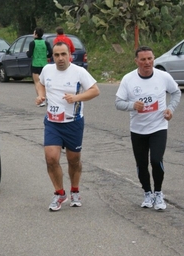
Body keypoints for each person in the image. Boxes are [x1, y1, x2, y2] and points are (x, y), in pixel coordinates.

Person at [35, 42, 100, 211]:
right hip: (52, 122)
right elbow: (40, 82)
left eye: (64, 54)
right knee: (51, 158)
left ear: (70, 55)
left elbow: (95, 90)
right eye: (57, 55)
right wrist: (41, 95)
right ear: (52, 57)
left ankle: (75, 190)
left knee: (74, 160)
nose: (60, 58)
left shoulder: (79, 72)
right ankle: (59, 193)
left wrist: (76, 98)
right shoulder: (47, 70)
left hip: (73, 123)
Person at [115, 46, 181, 211]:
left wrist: (170, 109)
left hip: (159, 127)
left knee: (156, 160)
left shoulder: (163, 76)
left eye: (150, 58)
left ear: (153, 59)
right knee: (142, 164)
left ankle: (158, 193)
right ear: (136, 61)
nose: (147, 62)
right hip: (138, 129)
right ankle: (147, 193)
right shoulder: (128, 79)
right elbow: (118, 103)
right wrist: (132, 105)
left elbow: (176, 92)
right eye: (143, 59)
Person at [26, 27, 52, 107]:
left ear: (36, 34)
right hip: (44, 65)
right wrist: (46, 56)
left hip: (35, 64)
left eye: (34, 33)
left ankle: (41, 100)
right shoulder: (46, 43)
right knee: (45, 83)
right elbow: (50, 53)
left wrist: (27, 52)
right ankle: (47, 98)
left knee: (37, 83)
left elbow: (29, 54)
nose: (33, 34)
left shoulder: (32, 43)